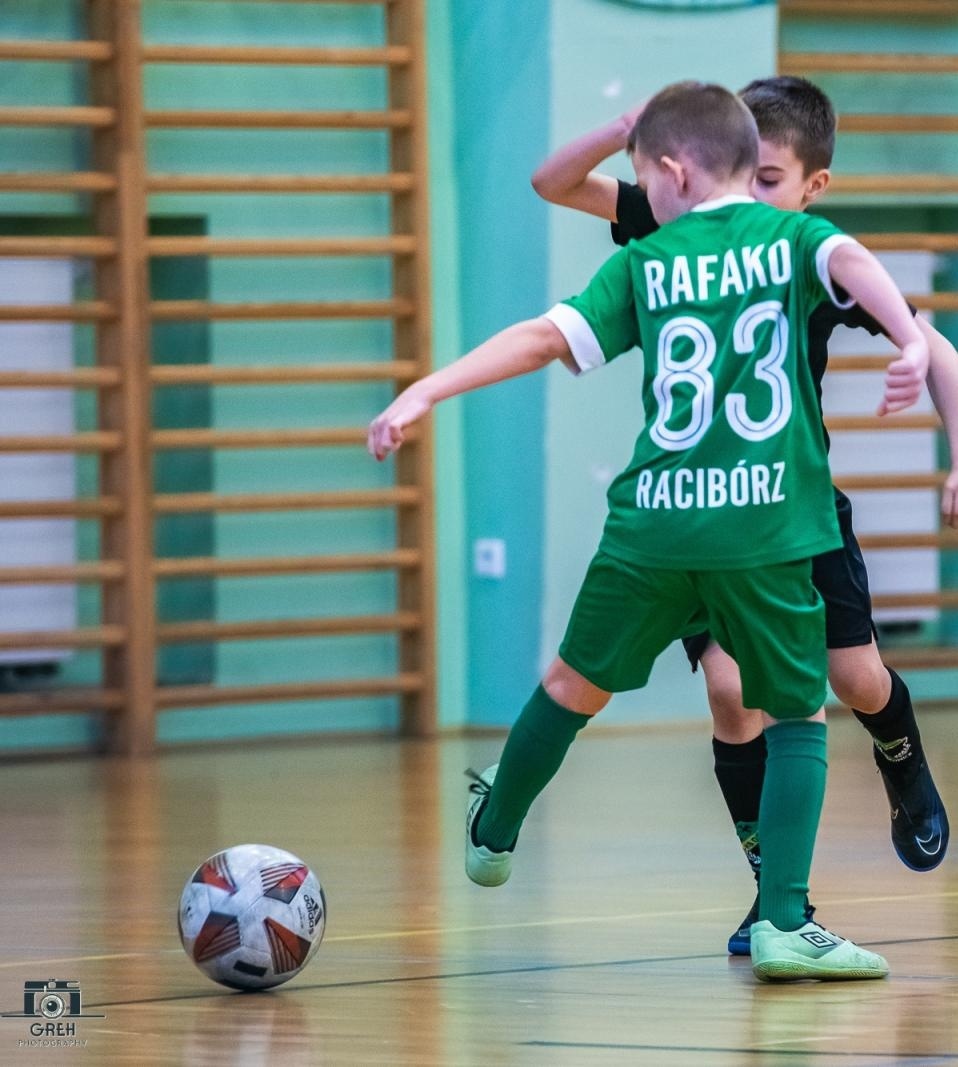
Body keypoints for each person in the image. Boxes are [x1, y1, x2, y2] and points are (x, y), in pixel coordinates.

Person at [370, 81, 929, 981]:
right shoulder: (795, 238)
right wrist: (908, 339)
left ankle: (496, 824)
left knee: (570, 684)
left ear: (671, 172)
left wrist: (427, 389)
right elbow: (856, 264)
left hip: (655, 526)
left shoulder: (649, 260)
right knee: (796, 710)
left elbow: (543, 338)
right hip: (764, 522)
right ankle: (786, 919)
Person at [532, 75, 958, 953]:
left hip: (795, 509)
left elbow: (935, 352)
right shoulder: (677, 217)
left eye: (772, 180)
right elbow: (553, 182)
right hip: (703, 515)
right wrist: (622, 127)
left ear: (812, 187)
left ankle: (904, 760)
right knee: (732, 692)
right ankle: (774, 895)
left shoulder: (805, 250)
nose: (747, 195)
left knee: (854, 680)